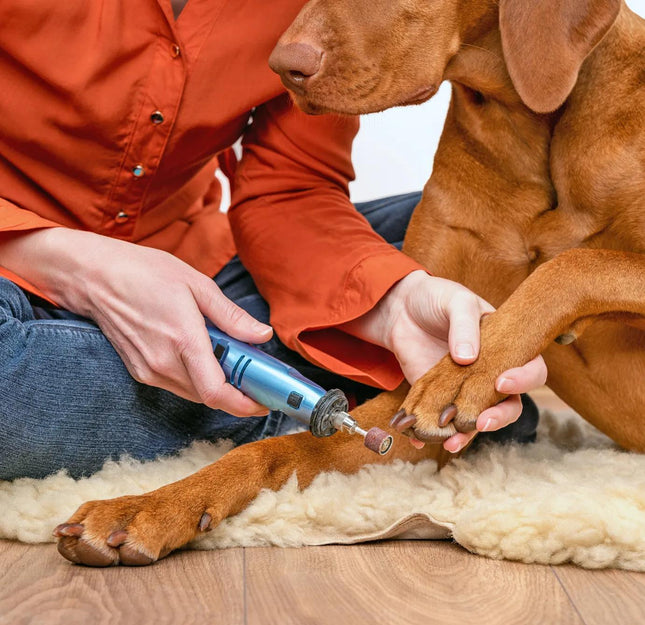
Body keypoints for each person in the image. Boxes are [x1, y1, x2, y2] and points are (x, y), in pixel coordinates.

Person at [0, 0, 546, 480]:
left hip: (197, 282)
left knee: (489, 242)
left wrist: (393, 301)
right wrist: (81, 267)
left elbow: (289, 188)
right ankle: (327, 411)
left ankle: (280, 389)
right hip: (15, 269)